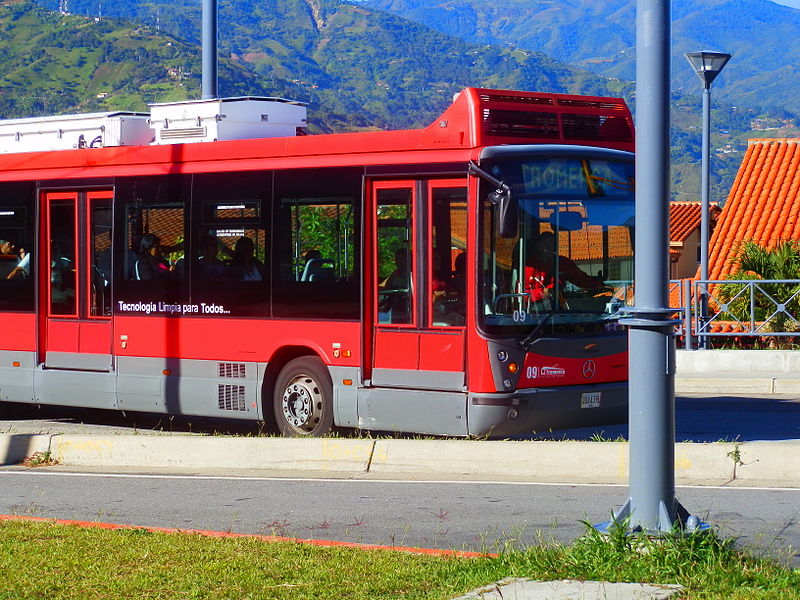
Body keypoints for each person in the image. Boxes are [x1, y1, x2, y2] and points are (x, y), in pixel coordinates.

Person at [524, 231, 604, 304]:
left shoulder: (562, 262)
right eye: (546, 244)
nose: (549, 247)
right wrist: (543, 293)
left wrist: (600, 285)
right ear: (538, 245)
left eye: (552, 244)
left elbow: (581, 279)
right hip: (534, 312)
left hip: (559, 309)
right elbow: (521, 295)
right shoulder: (528, 266)